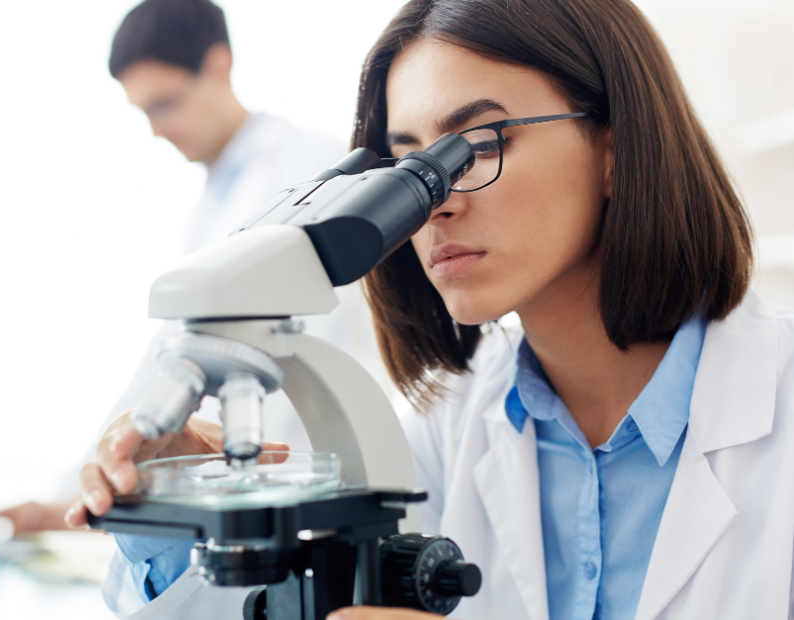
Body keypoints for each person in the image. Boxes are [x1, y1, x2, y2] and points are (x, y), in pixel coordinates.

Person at [78, 0, 794, 618]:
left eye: (476, 146)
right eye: (408, 167)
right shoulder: (450, 429)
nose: (437, 203)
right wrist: (162, 515)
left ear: (613, 147)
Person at [0, 0, 380, 538]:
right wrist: (73, 494)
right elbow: (166, 362)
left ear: (218, 65)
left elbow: (287, 354)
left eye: (165, 104)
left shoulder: (310, 170)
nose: (156, 130)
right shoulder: (209, 207)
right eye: (145, 112)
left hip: (311, 478)